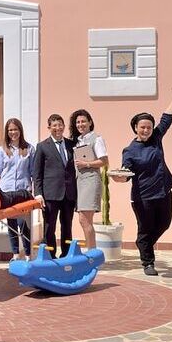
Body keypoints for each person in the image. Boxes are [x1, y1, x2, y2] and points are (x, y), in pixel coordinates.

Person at [120, 83, 172, 276]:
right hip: (143, 197)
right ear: (135, 128)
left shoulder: (156, 137)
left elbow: (166, 119)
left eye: (149, 127)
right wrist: (120, 177)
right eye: (142, 127)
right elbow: (126, 171)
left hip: (164, 192)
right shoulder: (130, 150)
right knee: (146, 228)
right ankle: (148, 262)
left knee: (164, 224)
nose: (146, 130)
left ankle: (143, 243)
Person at [32, 114, 77, 258]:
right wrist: (38, 193)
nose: (58, 128)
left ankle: (66, 254)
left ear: (64, 126)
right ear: (49, 128)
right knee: (49, 227)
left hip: (69, 194)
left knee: (67, 226)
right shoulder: (42, 146)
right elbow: (37, 173)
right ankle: (50, 255)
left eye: (60, 125)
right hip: (50, 194)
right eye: (54, 126)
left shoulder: (72, 145)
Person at [0, 118, 35, 260]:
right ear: (7, 132)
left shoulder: (29, 149)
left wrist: (35, 192)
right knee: (11, 224)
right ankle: (15, 254)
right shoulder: (1, 150)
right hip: (7, 191)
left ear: (20, 131)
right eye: (10, 130)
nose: (13, 132)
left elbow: (33, 172)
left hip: (23, 191)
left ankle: (28, 254)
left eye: (15, 129)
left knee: (23, 224)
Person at [69, 109, 108, 251]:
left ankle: (92, 253)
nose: (80, 124)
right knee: (83, 220)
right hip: (80, 182)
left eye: (83, 121)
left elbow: (104, 161)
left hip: (91, 181)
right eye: (78, 122)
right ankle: (91, 252)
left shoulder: (96, 139)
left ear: (90, 122)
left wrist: (87, 164)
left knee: (84, 219)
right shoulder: (78, 140)